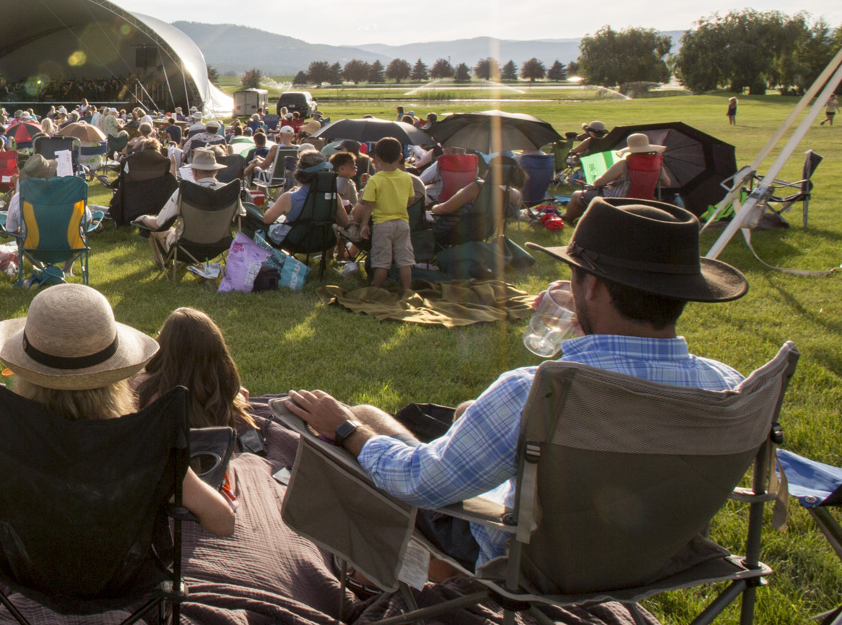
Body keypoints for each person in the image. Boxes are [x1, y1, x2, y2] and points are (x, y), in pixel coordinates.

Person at [285, 199, 749, 572]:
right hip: (657, 558)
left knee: (364, 418)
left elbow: (419, 482)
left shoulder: (537, 392)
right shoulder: (728, 388)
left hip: (526, 560)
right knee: (469, 411)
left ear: (590, 289)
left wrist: (345, 429)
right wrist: (590, 321)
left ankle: (413, 574)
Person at [0, 284, 234, 537]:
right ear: (116, 372)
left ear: (27, 369)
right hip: (124, 582)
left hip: (20, 574)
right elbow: (223, 522)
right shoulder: (145, 443)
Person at [133, 307, 258, 435]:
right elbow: (240, 399)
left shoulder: (143, 390)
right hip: (212, 451)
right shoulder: (220, 395)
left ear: (165, 347)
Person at [349, 136, 420, 294]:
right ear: (401, 157)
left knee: (382, 261)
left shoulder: (375, 180)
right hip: (402, 223)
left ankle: (376, 290)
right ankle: (407, 290)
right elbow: (411, 199)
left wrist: (365, 225)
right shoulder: (407, 178)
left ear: (377, 158)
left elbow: (368, 205)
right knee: (405, 260)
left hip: (382, 225)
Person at [561, 132, 665, 223]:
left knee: (577, 195)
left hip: (618, 200)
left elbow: (599, 183)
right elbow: (667, 183)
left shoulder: (625, 164)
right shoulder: (657, 164)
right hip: (647, 200)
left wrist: (598, 177)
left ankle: (568, 219)